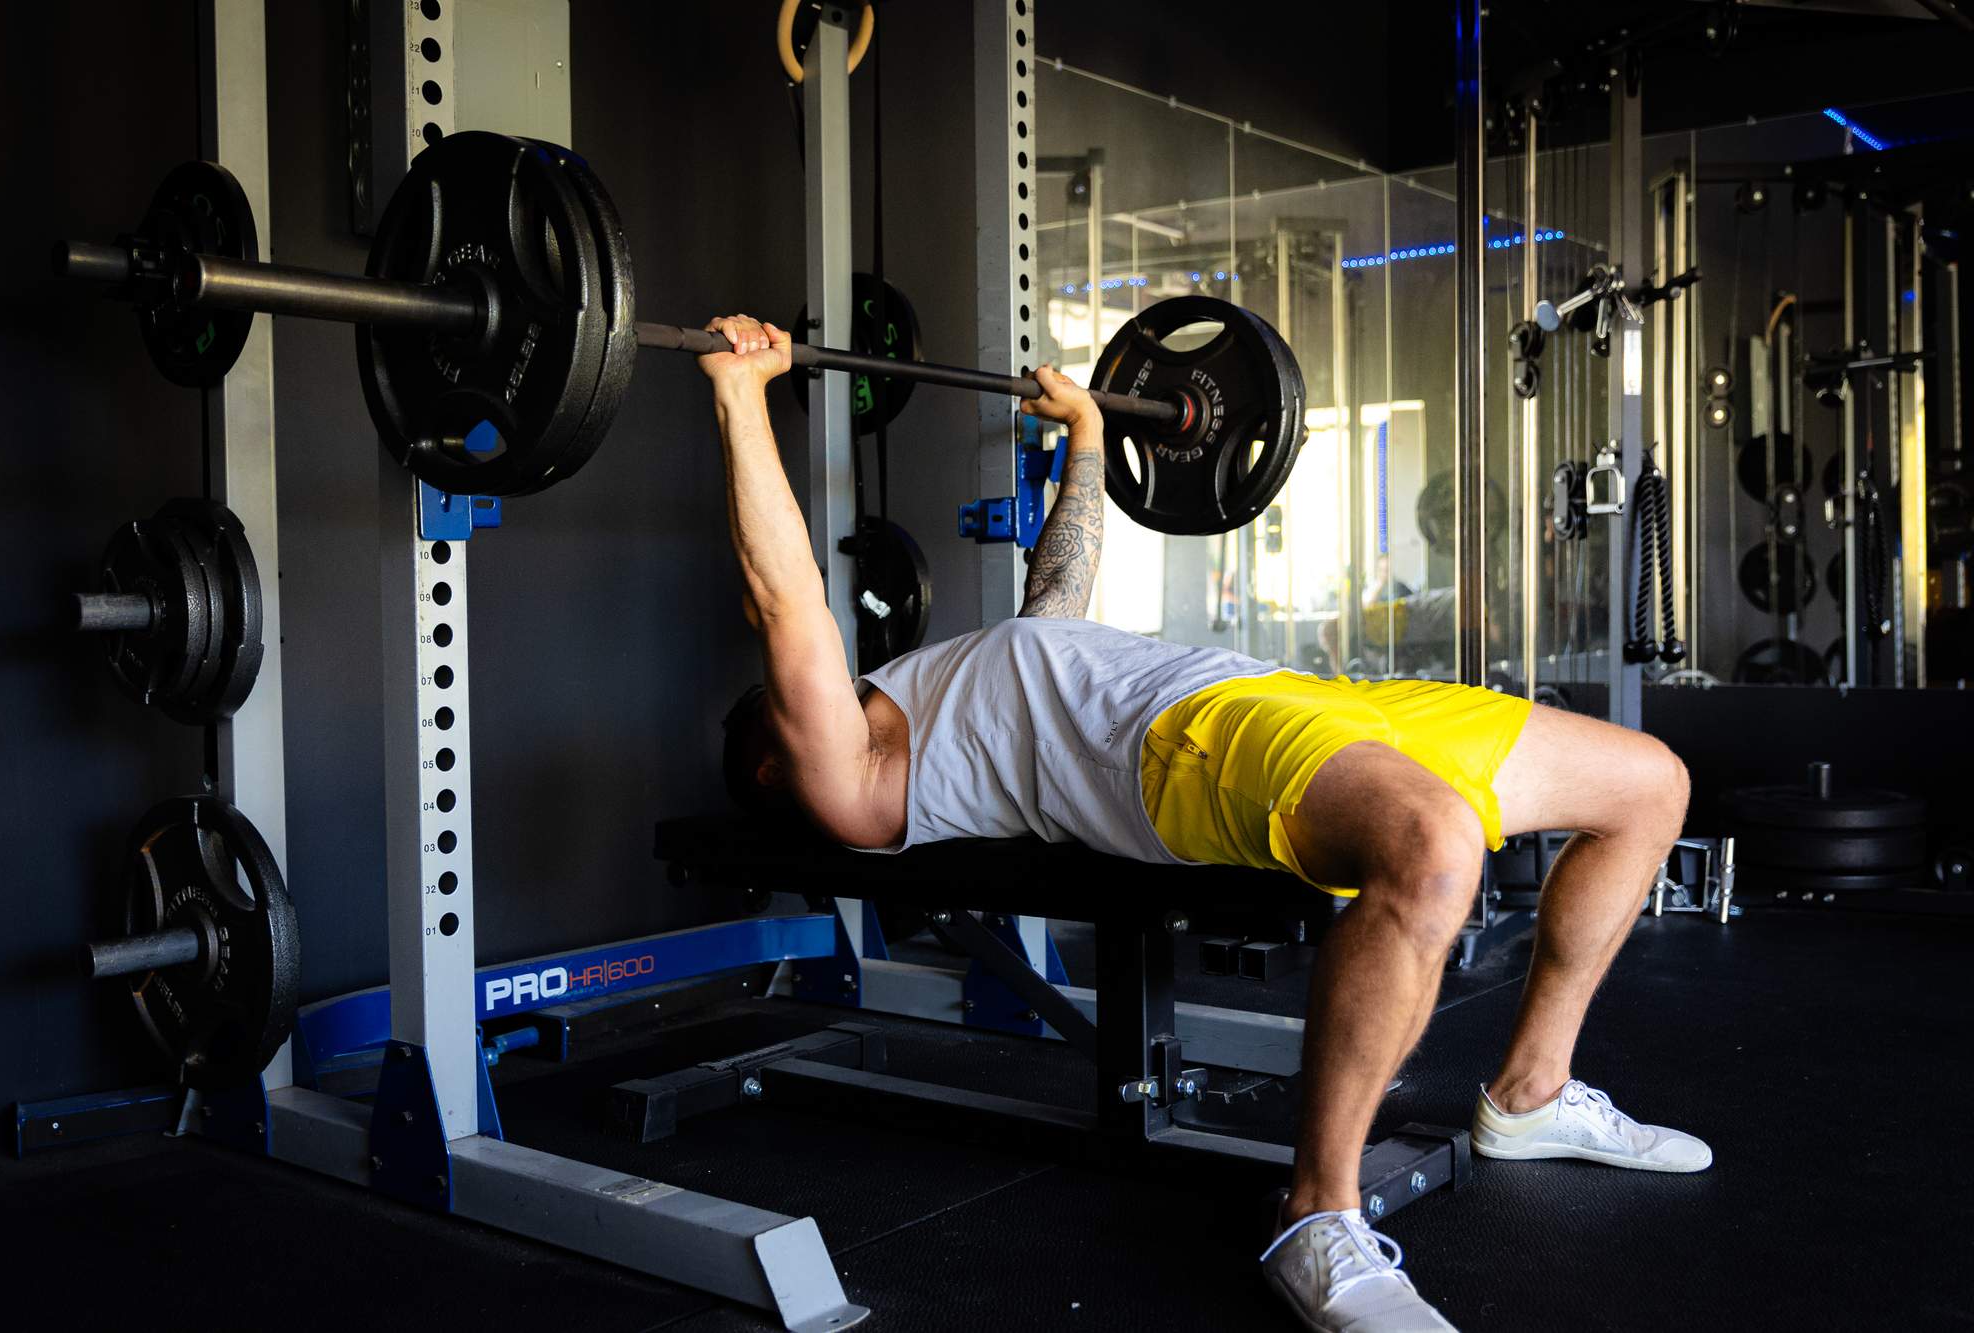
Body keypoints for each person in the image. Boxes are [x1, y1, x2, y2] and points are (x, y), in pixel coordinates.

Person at [700, 314, 1708, 1333]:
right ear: (777, 759)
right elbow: (786, 604)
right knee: (1431, 842)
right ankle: (1315, 1214)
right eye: (787, 708)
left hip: (1294, 697)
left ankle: (1530, 1095)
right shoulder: (848, 783)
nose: (819, 692)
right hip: (1181, 743)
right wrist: (741, 396)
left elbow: (1055, 600)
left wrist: (1089, 434)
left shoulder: (942, 682)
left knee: (1646, 784)